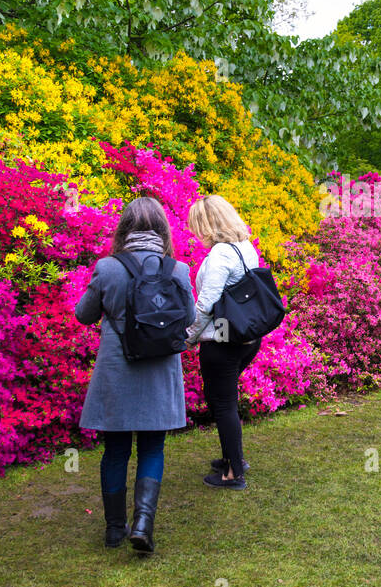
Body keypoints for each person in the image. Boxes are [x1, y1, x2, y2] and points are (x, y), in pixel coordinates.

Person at [75, 197, 192, 552]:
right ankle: (143, 523)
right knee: (152, 447)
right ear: (162, 229)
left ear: (123, 229)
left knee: (115, 450)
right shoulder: (177, 270)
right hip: (160, 369)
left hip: (117, 369)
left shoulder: (108, 268)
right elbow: (187, 320)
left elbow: (83, 314)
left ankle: (114, 529)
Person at [187, 194, 261, 489]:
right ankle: (233, 457)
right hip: (246, 338)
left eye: (198, 226)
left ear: (209, 224)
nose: (195, 234)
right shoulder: (245, 247)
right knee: (223, 401)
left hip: (222, 339)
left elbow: (206, 304)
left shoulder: (219, 255)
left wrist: (187, 338)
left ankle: (233, 473)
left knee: (223, 403)